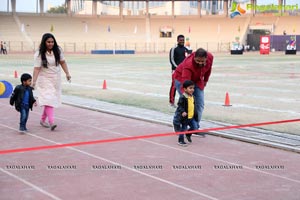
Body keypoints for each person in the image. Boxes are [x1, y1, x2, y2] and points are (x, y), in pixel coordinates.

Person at [32, 33, 71, 131]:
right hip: (44, 79)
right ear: (44, 42)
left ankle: (42, 120)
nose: (51, 44)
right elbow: (37, 68)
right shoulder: (39, 54)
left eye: (52, 42)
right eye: (48, 42)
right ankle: (51, 122)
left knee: (49, 100)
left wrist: (67, 73)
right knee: (48, 99)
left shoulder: (58, 50)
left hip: (55, 78)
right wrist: (33, 82)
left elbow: (62, 62)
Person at [173, 48, 213, 133]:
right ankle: (176, 122)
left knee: (199, 104)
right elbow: (185, 81)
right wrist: (187, 95)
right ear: (194, 57)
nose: (200, 63)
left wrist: (205, 80)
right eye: (197, 61)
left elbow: (208, 69)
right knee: (186, 104)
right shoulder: (188, 65)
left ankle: (194, 128)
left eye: (202, 61)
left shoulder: (210, 57)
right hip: (181, 79)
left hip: (197, 79)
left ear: (206, 58)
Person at [173, 80, 198, 146]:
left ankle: (188, 134)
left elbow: (194, 106)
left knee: (195, 127)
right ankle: (180, 140)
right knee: (183, 129)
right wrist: (183, 111)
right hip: (185, 118)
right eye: (190, 88)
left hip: (191, 117)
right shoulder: (183, 97)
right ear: (185, 89)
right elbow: (180, 105)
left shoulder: (193, 97)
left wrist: (195, 114)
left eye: (193, 88)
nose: (192, 89)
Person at [169, 34, 190, 107]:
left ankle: (183, 102)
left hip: (184, 71)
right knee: (174, 86)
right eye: (181, 40)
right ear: (177, 40)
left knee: (184, 86)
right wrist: (177, 68)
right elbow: (171, 60)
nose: (182, 41)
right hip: (175, 71)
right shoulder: (173, 49)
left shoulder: (186, 49)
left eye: (183, 40)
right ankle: (171, 102)